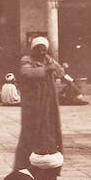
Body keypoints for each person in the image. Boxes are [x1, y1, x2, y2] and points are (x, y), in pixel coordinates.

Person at [13, 37, 66, 170]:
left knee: (49, 137)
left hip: (49, 107)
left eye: (44, 49)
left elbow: (61, 72)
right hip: (34, 108)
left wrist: (55, 66)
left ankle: (48, 173)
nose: (42, 52)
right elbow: (26, 73)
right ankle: (25, 169)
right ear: (33, 49)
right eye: (39, 49)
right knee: (31, 137)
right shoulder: (27, 60)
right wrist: (47, 69)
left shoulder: (48, 60)